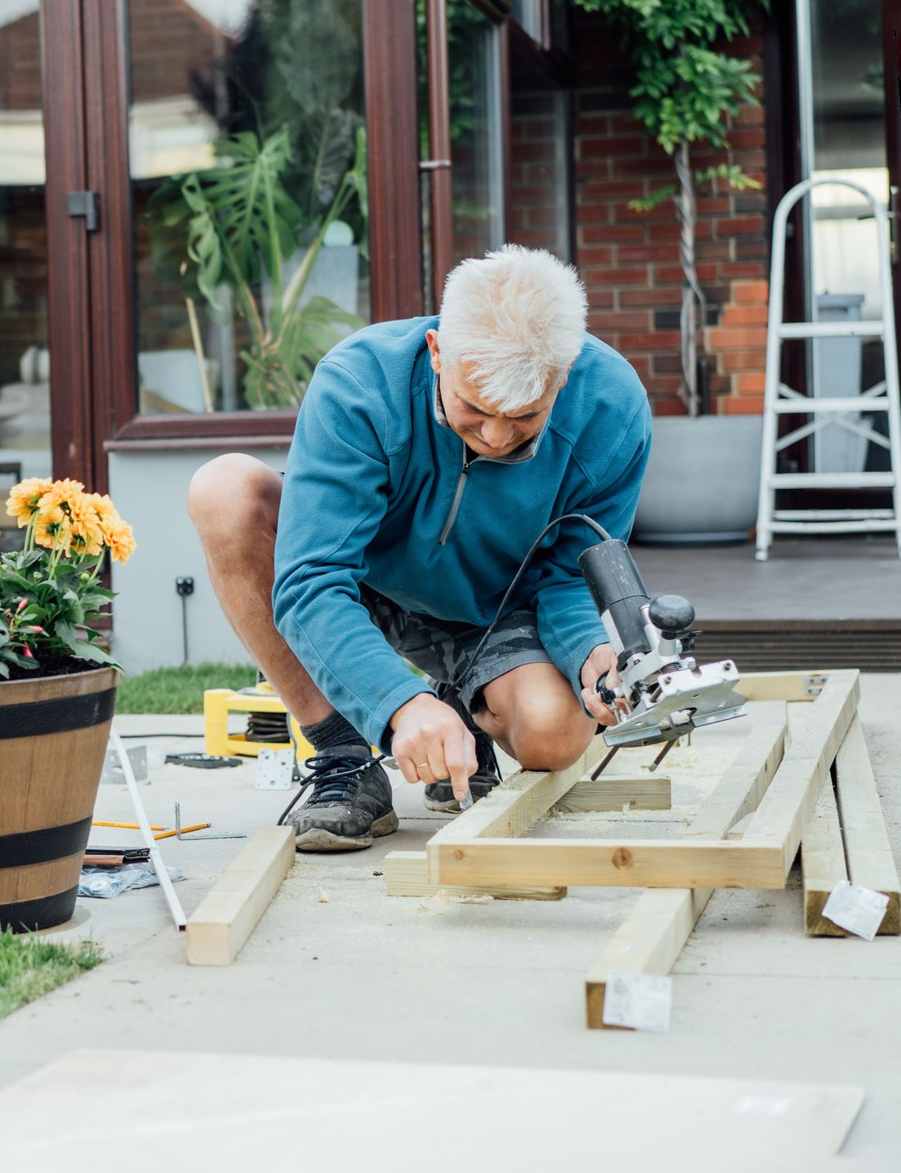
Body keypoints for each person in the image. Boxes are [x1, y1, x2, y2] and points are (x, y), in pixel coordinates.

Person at [188, 245, 651, 851]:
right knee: (223, 490)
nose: (494, 437)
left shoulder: (611, 411)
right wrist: (398, 704)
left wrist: (589, 652)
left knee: (556, 734)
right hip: (363, 587)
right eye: (475, 409)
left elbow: (564, 577)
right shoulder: (358, 383)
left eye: (525, 418)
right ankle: (345, 754)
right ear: (438, 353)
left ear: (560, 377)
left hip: (493, 609)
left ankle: (460, 717)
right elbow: (311, 581)